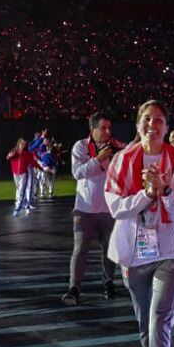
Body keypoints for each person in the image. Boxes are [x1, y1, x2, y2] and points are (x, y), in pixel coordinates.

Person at [105, 100, 174, 347]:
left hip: (171, 252)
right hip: (134, 253)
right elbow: (116, 208)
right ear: (138, 125)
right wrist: (146, 194)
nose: (152, 124)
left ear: (167, 127)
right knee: (145, 321)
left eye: (159, 120)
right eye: (146, 118)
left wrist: (165, 190)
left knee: (159, 320)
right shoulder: (121, 160)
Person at [64, 111, 124, 306]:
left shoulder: (116, 147)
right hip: (85, 209)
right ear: (92, 129)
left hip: (109, 209)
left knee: (109, 250)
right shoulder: (81, 146)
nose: (107, 132)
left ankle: (109, 283)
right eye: (103, 128)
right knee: (80, 249)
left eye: (109, 128)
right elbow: (77, 173)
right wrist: (98, 159)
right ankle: (74, 288)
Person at [7, 138, 43, 216]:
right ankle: (20, 203)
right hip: (15, 174)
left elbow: (33, 162)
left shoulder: (27, 154)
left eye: (24, 144)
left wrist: (40, 168)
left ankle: (17, 208)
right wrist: (10, 155)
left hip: (23, 174)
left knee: (21, 190)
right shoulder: (14, 151)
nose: (23, 145)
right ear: (18, 143)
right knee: (18, 189)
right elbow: (8, 158)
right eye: (22, 144)